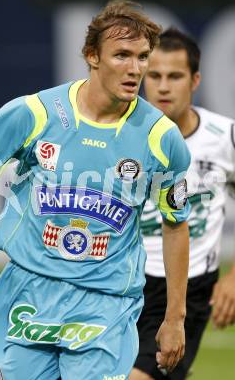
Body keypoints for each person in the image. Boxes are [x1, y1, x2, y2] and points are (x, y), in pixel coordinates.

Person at [0, 1, 191, 380]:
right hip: (27, 295)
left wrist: (174, 318)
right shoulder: (34, 114)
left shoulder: (162, 140)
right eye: (121, 55)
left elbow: (175, 224)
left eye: (142, 57)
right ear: (92, 56)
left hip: (105, 304)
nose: (135, 68)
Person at [131, 28, 235, 380]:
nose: (162, 86)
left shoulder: (225, 138)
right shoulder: (119, 134)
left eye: (174, 76)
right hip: (121, 281)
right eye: (154, 76)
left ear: (195, 80)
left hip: (188, 288)